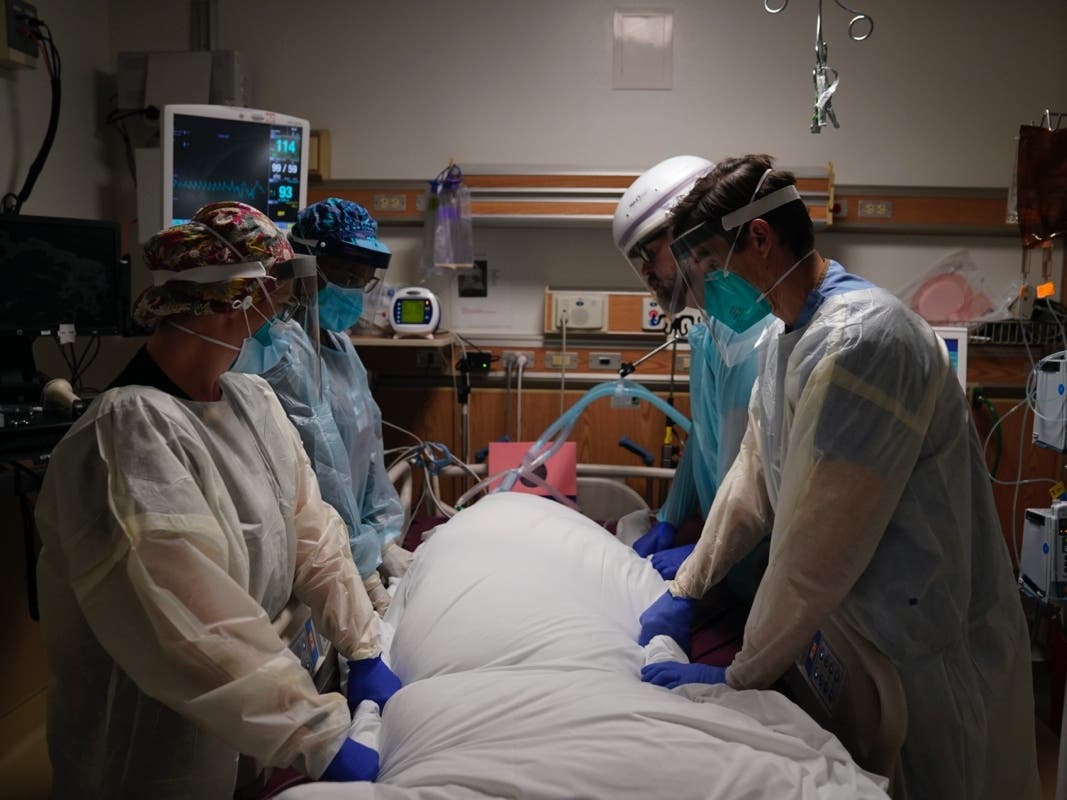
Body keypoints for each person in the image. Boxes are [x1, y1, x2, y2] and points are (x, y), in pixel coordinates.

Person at [636, 155, 1039, 799]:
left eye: (709, 266)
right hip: (859, 645)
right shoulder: (790, 338)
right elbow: (753, 481)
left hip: (928, 667)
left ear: (760, 239)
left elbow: (812, 551)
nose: (705, 291)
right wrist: (688, 589)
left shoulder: (863, 344)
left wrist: (739, 678)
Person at [35, 202, 401, 797]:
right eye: (274, 288)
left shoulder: (251, 401)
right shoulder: (128, 433)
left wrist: (360, 643)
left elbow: (313, 529)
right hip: (152, 744)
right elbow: (191, 625)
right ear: (228, 296)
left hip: (252, 720)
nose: (283, 304)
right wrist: (317, 737)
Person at [232, 197, 411, 616]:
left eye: (363, 279)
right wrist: (362, 565)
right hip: (309, 554)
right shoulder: (281, 347)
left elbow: (367, 451)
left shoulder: (342, 347)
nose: (354, 288)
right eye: (346, 274)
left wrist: (383, 539)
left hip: (355, 546)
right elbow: (322, 463)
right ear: (308, 266)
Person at [612, 156, 776, 591]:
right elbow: (705, 441)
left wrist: (705, 559)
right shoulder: (712, 330)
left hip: (754, 567)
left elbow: (755, 487)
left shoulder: (755, 335)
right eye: (637, 260)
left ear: (694, 231)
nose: (646, 272)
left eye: (649, 253)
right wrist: (670, 518)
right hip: (727, 558)